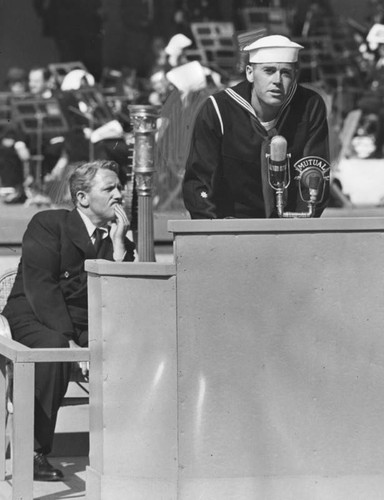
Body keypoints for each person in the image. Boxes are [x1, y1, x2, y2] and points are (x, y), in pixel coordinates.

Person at [2, 159, 135, 481]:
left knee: (132, 349)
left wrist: (119, 248)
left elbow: (122, 300)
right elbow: (42, 288)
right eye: (110, 188)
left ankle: (127, 448)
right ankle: (33, 451)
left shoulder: (116, 238)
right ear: (82, 198)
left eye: (120, 187)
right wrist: (71, 341)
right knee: (54, 348)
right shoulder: (49, 223)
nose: (120, 195)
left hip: (87, 324)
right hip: (33, 316)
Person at [182, 34, 330, 219]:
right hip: (231, 226)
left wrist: (299, 228)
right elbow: (198, 180)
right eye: (268, 71)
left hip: (290, 225)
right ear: (250, 73)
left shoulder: (309, 105)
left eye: (286, 72)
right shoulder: (218, 109)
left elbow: (316, 172)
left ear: (295, 76)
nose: (277, 80)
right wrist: (213, 230)